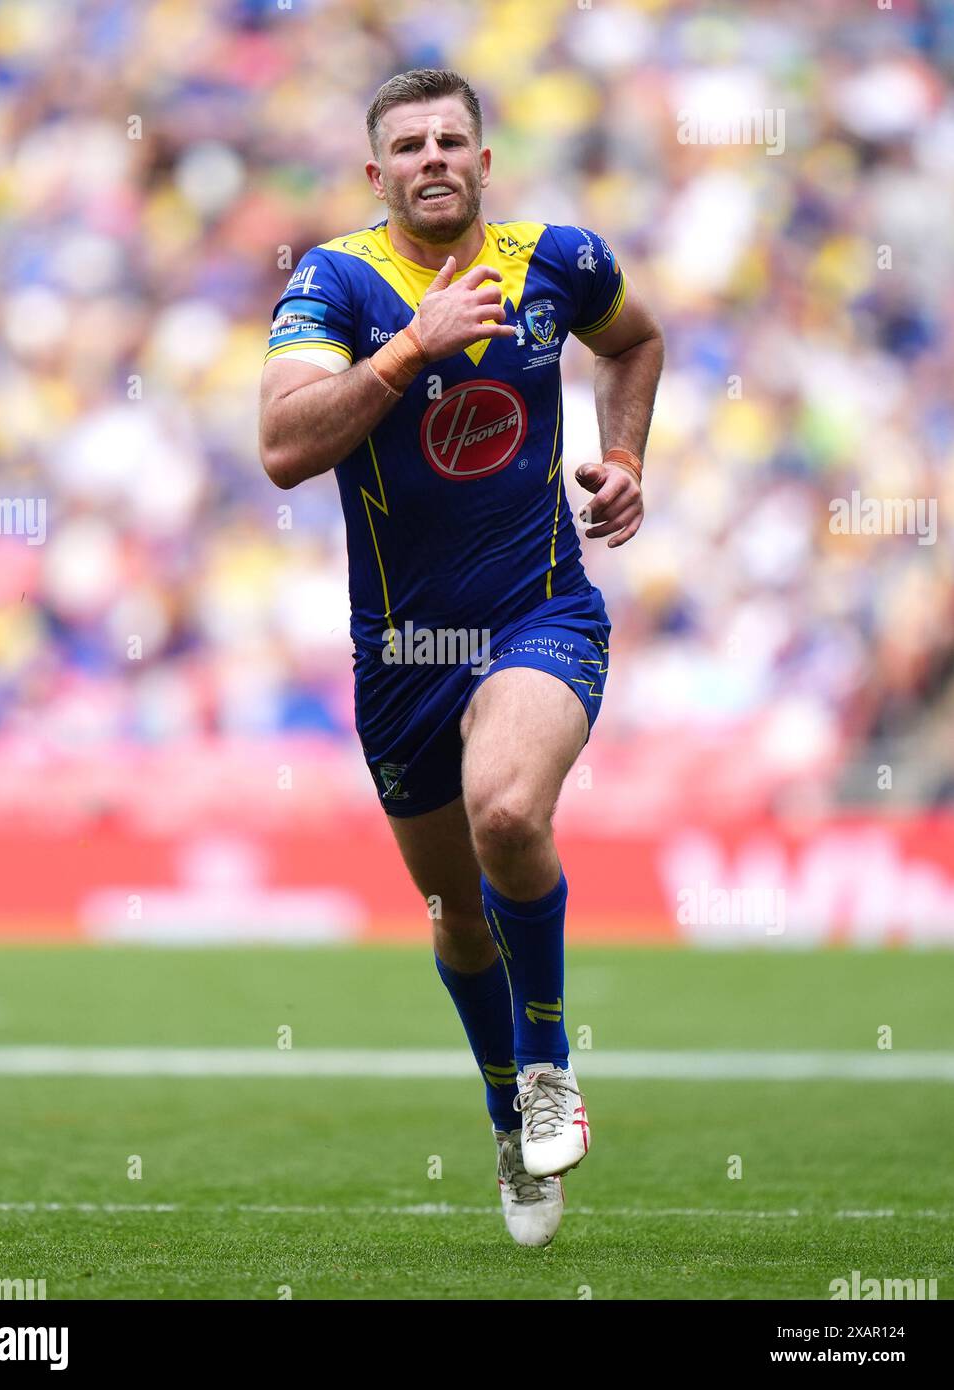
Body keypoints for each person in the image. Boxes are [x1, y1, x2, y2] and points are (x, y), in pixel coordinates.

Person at [259, 68, 663, 1246]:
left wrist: (627, 457)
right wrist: (405, 354)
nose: (434, 157)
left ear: (484, 163)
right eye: (409, 144)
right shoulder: (335, 282)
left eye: (453, 140)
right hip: (399, 655)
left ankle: (548, 1065)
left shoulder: (561, 261)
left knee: (505, 814)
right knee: (455, 915)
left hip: (541, 612)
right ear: (375, 174)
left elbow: (634, 342)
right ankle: (507, 1114)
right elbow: (284, 445)